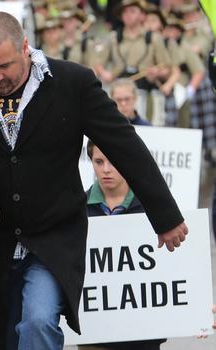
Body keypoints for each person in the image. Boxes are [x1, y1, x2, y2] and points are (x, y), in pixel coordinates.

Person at [0, 11, 188, 350]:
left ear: (25, 47)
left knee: (38, 322)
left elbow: (124, 144)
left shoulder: (73, 82)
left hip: (52, 238)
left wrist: (166, 216)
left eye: (5, 66)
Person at [79, 140, 166, 350]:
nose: (106, 169)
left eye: (114, 161)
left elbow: (176, 271)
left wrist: (196, 309)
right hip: (94, 337)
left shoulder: (155, 210)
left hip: (143, 337)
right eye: (99, 162)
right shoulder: (77, 210)